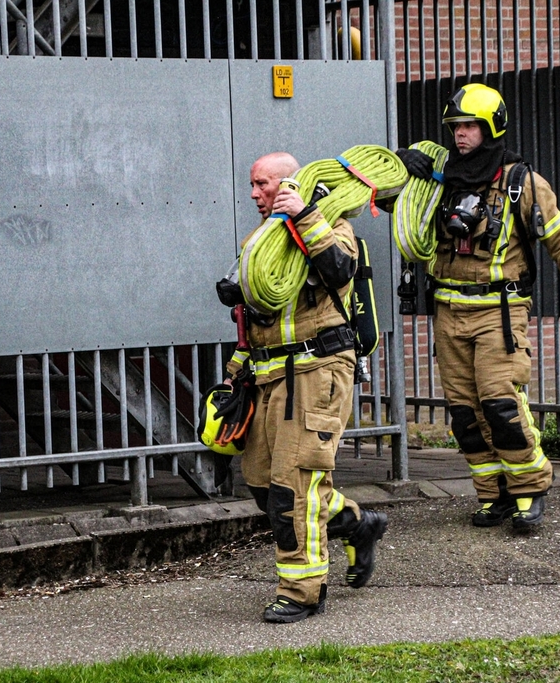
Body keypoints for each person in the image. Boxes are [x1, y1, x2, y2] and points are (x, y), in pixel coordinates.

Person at [396, 83, 560, 532]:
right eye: (455, 127)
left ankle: (529, 491)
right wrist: (402, 164)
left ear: (492, 127)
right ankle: (492, 496)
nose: (460, 135)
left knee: (501, 405)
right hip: (448, 312)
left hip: (499, 312)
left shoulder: (522, 182)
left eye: (470, 126)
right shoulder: (437, 178)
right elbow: (391, 206)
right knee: (464, 413)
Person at [219, 152, 388, 623]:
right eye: (251, 185)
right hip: (269, 375)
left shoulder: (332, 224)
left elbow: (338, 270)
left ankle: (302, 592)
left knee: (293, 487)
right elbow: (252, 324)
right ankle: (355, 523)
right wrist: (233, 375)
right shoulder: (262, 239)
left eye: (262, 184)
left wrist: (305, 215)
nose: (254, 194)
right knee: (260, 484)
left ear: (289, 183)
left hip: (317, 372)